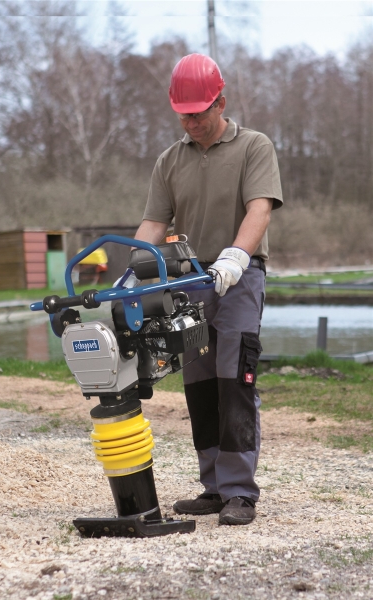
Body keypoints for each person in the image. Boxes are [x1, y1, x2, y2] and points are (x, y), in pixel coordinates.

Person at [127, 53, 283, 525]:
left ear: (220, 102)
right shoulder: (170, 160)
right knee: (198, 381)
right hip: (188, 280)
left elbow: (260, 209)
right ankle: (213, 486)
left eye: (198, 111)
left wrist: (236, 256)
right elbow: (155, 221)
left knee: (234, 377)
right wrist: (132, 269)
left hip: (240, 273)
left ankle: (240, 492)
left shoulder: (254, 147)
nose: (190, 121)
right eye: (183, 113)